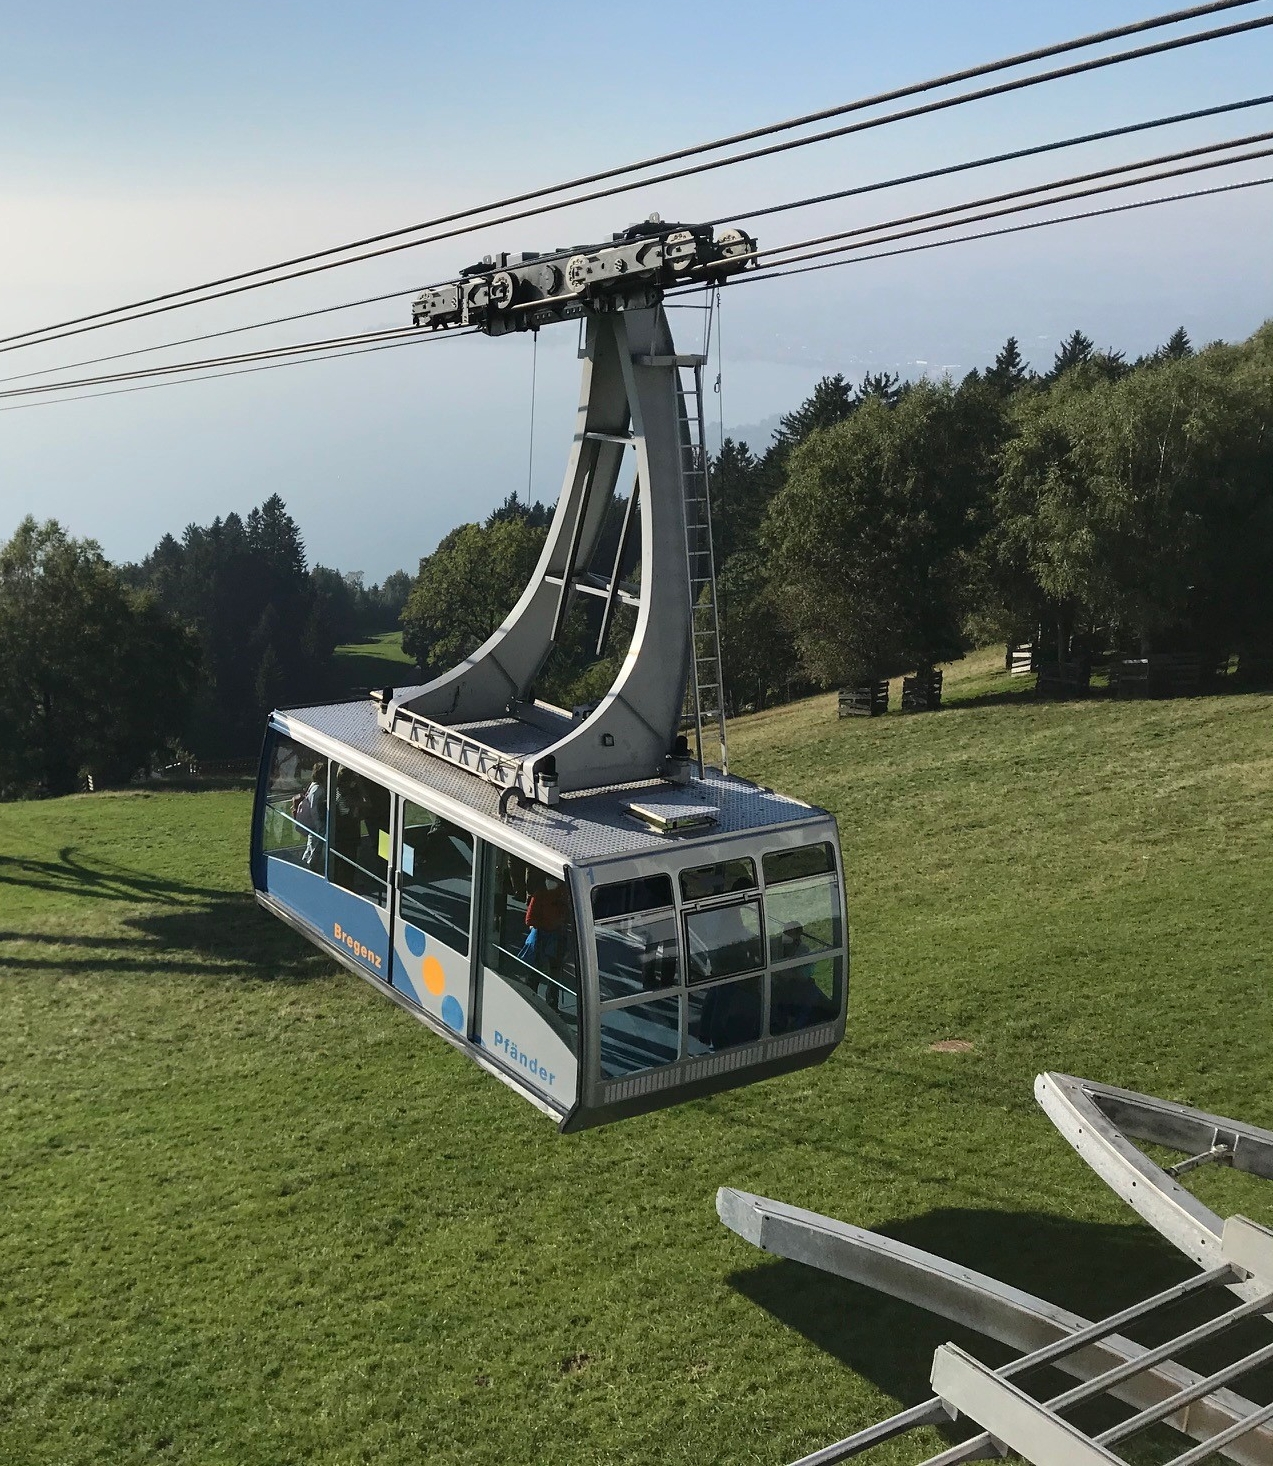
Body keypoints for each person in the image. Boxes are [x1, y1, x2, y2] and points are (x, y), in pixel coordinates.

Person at [292, 761, 327, 868]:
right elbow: (314, 808)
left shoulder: (313, 786)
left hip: (313, 824)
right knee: (315, 848)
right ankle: (309, 867)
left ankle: (304, 865)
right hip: (315, 825)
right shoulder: (317, 789)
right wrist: (318, 826)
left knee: (310, 846)